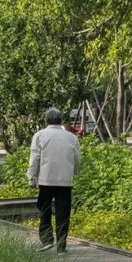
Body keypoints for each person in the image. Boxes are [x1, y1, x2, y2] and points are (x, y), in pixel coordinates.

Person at [27, 107, 81, 254]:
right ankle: (62, 247)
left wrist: (32, 177)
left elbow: (35, 158)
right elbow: (77, 159)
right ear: (61, 120)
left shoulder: (40, 135)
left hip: (46, 180)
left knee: (44, 210)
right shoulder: (72, 137)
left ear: (46, 121)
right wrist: (73, 172)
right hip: (65, 182)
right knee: (63, 212)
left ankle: (47, 240)